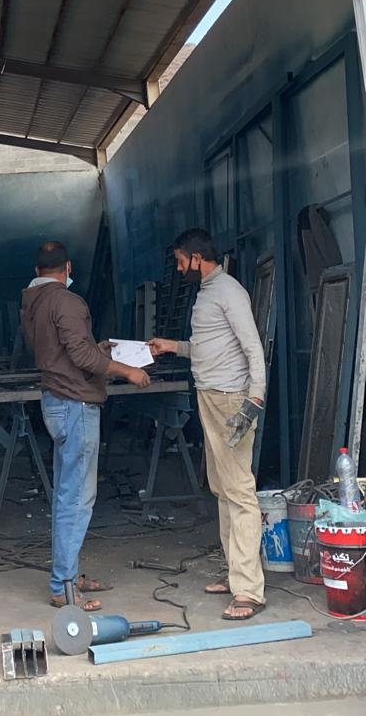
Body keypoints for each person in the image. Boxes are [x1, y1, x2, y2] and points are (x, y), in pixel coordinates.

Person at [20, 240, 150, 613]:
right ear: (68, 268)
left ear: (37, 270)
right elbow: (78, 354)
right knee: (77, 498)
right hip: (75, 403)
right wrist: (127, 370)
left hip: (55, 401)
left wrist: (99, 349)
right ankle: (63, 587)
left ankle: (68, 575)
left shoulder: (32, 302)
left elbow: (68, 350)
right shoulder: (66, 301)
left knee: (67, 494)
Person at [148, 228, 267, 621]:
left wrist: (255, 397)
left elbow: (252, 346)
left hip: (232, 399)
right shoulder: (207, 293)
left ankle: (248, 590)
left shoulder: (229, 292)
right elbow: (209, 347)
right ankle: (236, 572)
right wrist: (173, 346)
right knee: (221, 487)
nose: (179, 268)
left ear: (197, 258)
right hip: (211, 396)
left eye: (182, 261)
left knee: (239, 490)